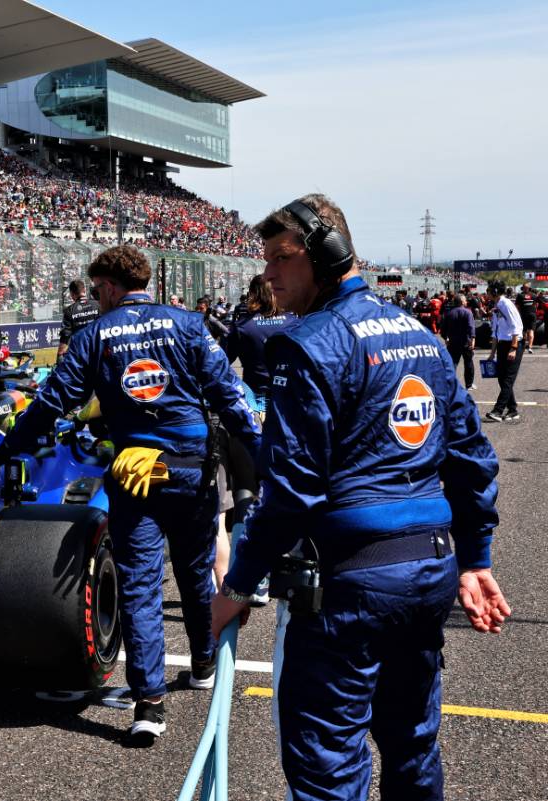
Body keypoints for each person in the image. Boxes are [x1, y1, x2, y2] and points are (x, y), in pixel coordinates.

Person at [210, 194, 509, 801]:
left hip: (348, 589)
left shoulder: (306, 343)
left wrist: (237, 587)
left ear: (327, 254)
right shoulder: (419, 335)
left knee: (328, 771)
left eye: (280, 258)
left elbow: (291, 490)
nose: (268, 273)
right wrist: (475, 559)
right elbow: (473, 457)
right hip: (428, 574)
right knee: (412, 746)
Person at [0, 245, 261, 744]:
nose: (96, 299)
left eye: (97, 290)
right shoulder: (186, 324)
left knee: (140, 583)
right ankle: (203, 661)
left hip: (134, 473)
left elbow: (54, 400)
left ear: (113, 286)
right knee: (194, 566)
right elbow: (229, 394)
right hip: (190, 471)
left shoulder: (96, 334)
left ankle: (149, 705)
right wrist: (264, 454)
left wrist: (11, 446)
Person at [223, 274, 299, 398]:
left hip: (256, 394)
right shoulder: (294, 322)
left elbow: (224, 360)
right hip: (290, 394)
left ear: (252, 294)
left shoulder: (242, 326)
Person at [484, 281, 523, 422]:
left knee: (508, 378)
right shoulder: (496, 306)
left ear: (494, 292)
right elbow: (495, 332)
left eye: (488, 290)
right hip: (502, 344)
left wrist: (513, 348)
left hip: (514, 344)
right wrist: (492, 353)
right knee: (501, 377)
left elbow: (516, 327)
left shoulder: (506, 304)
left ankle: (498, 410)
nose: (486, 293)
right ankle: (512, 410)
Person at [441, 293, 477, 390]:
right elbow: (471, 327)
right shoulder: (468, 312)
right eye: (465, 300)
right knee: (468, 363)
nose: (466, 301)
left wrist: (446, 338)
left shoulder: (449, 313)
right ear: (462, 302)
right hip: (466, 342)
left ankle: (450, 383)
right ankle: (469, 384)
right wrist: (473, 339)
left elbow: (443, 329)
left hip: (453, 342)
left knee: (452, 363)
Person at [57, 278, 100, 359]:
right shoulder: (98, 305)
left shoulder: (69, 310)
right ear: (84, 290)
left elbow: (65, 336)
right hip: (98, 351)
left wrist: (59, 355)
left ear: (72, 294)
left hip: (80, 354)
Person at [516, 282, 537, 352]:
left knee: (523, 331)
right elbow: (535, 305)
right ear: (529, 288)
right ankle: (530, 347)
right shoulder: (534, 295)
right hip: (532, 315)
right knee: (531, 331)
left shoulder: (520, 295)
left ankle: (523, 347)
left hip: (523, 315)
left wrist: (519, 314)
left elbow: (517, 307)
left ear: (523, 288)